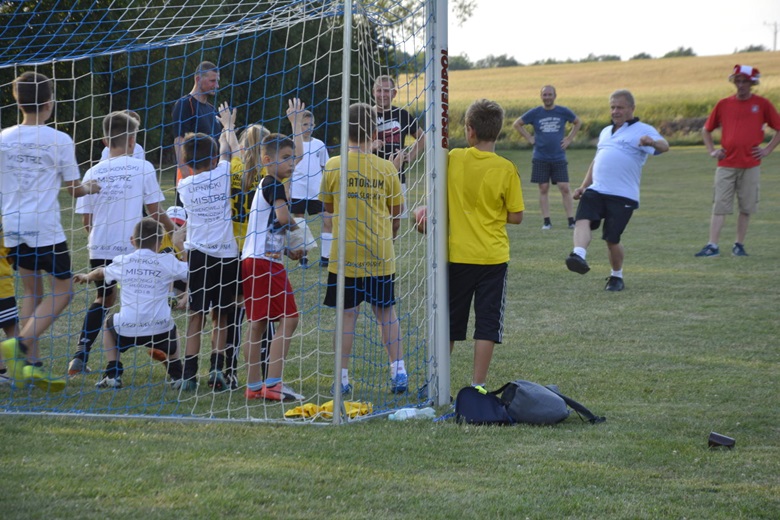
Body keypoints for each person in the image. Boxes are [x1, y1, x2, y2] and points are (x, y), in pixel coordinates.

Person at [0, 71, 100, 391]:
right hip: (44, 228)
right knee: (65, 291)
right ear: (48, 103)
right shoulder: (59, 139)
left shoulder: (3, 138)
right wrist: (91, 187)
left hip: (12, 226)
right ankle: (21, 345)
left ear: (18, 101)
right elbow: (73, 190)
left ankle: (28, 367)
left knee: (33, 292)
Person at [68, 111, 174, 376]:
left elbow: (86, 219)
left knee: (104, 298)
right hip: (134, 246)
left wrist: (98, 236)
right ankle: (158, 346)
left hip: (100, 245)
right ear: (131, 140)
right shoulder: (143, 167)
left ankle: (80, 354)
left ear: (105, 141)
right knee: (146, 295)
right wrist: (175, 232)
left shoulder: (93, 170)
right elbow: (155, 211)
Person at [320, 102, 407, 396]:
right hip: (380, 254)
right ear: (373, 131)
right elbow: (397, 213)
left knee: (347, 316)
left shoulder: (333, 165)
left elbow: (328, 211)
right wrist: (390, 237)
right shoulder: (386, 168)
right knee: (386, 313)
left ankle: (341, 378)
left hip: (346, 256)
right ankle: (399, 372)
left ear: (345, 131)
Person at [448, 99, 524, 390]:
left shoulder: (453, 157)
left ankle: (438, 382)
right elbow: (516, 216)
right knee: (487, 324)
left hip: (457, 257)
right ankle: (478, 385)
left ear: (469, 130)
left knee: (451, 323)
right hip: (492, 259)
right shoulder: (507, 168)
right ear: (498, 132)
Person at [565, 89, 669, 291]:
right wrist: (583, 186)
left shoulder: (642, 129)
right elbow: (597, 161)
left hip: (623, 195)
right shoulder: (605, 131)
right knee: (582, 218)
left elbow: (664, 146)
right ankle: (578, 255)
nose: (615, 111)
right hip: (597, 190)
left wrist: (652, 142)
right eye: (612, 107)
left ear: (632, 108)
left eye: (620, 107)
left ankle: (616, 277)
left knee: (612, 240)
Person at [73, 218, 188, 389]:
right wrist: (181, 248)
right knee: (173, 328)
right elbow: (192, 271)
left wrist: (87, 277)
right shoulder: (167, 261)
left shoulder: (123, 261)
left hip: (126, 327)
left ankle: (113, 373)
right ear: (160, 242)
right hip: (160, 328)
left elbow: (100, 272)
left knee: (108, 323)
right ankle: (177, 375)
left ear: (132, 241)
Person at [241, 124, 305, 401]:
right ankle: (274, 383)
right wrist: (299, 232)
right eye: (286, 157)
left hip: (254, 260)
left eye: (293, 158)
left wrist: (288, 251)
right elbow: (282, 219)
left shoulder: (263, 186)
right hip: (265, 264)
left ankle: (254, 386)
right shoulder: (274, 184)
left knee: (257, 323)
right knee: (290, 319)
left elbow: (269, 227)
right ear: (267, 160)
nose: (291, 163)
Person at [177, 130, 239, 392]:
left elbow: (217, 156)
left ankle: (189, 374)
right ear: (214, 159)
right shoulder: (224, 172)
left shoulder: (184, 186)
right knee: (221, 316)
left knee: (196, 316)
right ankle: (216, 368)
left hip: (199, 256)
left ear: (188, 163)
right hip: (226, 255)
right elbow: (230, 154)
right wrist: (227, 129)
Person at [695, 64, 780, 258]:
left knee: (746, 206)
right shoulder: (724, 104)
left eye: (744, 81)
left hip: (751, 165)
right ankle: (712, 246)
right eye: (737, 81)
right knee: (720, 205)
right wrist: (712, 151)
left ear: (752, 83)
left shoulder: (763, 104)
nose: (740, 85)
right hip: (725, 164)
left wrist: (767, 149)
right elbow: (706, 129)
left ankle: (738, 245)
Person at [513, 85, 582, 230]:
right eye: (545, 95)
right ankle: (546, 221)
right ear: (541, 97)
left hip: (558, 156)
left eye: (550, 94)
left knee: (564, 187)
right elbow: (517, 124)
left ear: (555, 96)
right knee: (543, 188)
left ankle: (571, 220)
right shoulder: (536, 113)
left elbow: (577, 122)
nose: (547, 97)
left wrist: (569, 139)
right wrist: (529, 138)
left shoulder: (562, 111)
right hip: (540, 156)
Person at [372, 75, 425, 218]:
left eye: (386, 91)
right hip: (371, 177)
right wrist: (371, 146)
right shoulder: (366, 114)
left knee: (395, 222)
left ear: (394, 93)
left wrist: (411, 156)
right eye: (379, 90)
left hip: (397, 177)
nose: (382, 95)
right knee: (374, 220)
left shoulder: (402, 115)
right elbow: (353, 144)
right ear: (373, 92)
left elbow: (422, 138)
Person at [171, 61, 223, 204]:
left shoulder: (212, 109)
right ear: (198, 79)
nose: (216, 85)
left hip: (211, 180)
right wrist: (189, 181)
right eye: (212, 81)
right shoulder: (185, 104)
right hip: (192, 181)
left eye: (217, 81)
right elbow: (179, 142)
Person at [289, 109, 332, 268]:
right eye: (304, 124)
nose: (308, 127)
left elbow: (325, 167)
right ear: (298, 125)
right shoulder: (292, 143)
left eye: (311, 124)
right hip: (298, 190)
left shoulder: (319, 144)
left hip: (316, 191)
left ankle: (325, 258)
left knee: (328, 218)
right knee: (299, 222)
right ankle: (303, 258)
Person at [0, 221, 20, 384]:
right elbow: (13, 255)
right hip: (2, 285)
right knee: (12, 327)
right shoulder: (7, 221)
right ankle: (18, 370)